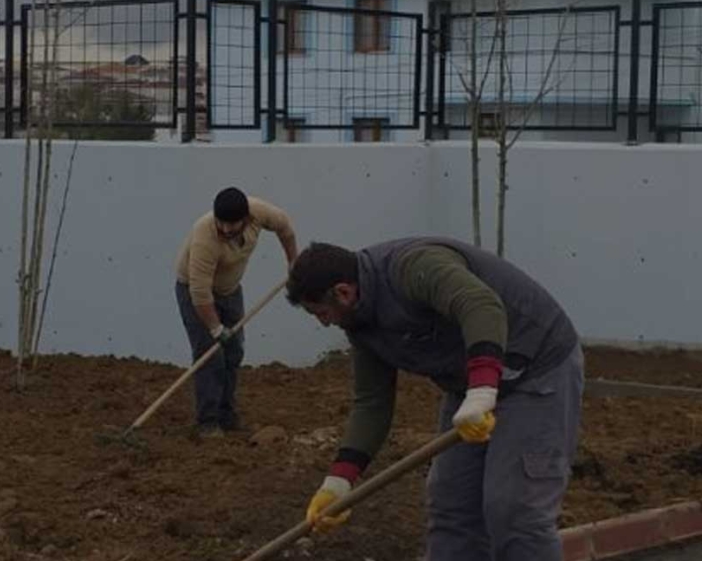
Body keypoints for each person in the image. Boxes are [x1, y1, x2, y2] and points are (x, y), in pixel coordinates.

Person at [284, 237, 584, 561]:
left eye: (321, 312)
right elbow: (372, 403)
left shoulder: (414, 267)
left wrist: (482, 392)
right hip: (471, 385)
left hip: (535, 369)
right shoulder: (361, 324)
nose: (324, 321)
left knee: (514, 508)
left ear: (343, 292)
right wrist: (339, 481)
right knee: (451, 502)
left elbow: (480, 304)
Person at [173, 186, 298, 439]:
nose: (227, 229)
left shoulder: (260, 213)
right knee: (210, 356)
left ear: (247, 219)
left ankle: (227, 416)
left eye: (233, 224)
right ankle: (208, 422)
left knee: (234, 351)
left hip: (230, 290)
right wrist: (216, 328)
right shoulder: (204, 237)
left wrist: (293, 262)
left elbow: (285, 228)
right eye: (222, 223)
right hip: (196, 295)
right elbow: (200, 292)